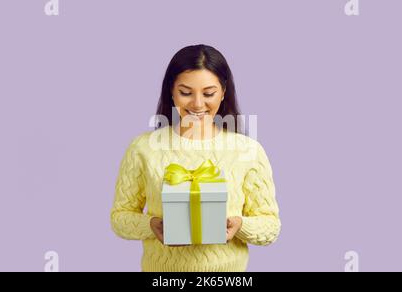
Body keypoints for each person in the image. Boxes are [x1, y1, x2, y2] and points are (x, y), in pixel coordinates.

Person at [110, 44, 281, 272]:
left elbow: (270, 226)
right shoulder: (143, 148)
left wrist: (240, 225)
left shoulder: (247, 150)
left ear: (223, 92)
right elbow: (120, 218)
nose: (198, 104)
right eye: (186, 92)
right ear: (171, 91)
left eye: (208, 93)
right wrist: (151, 225)